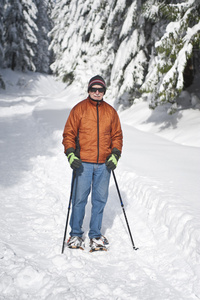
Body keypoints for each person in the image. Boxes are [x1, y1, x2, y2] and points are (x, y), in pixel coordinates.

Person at [62, 75, 123, 251]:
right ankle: (75, 234)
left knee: (99, 200)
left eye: (100, 89)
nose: (97, 92)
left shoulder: (111, 112)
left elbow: (117, 136)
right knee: (79, 199)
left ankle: (95, 235)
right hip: (83, 164)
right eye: (93, 89)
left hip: (104, 164)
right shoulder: (79, 109)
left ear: (104, 91)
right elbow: (69, 134)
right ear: (89, 90)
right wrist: (71, 155)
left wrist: (115, 155)